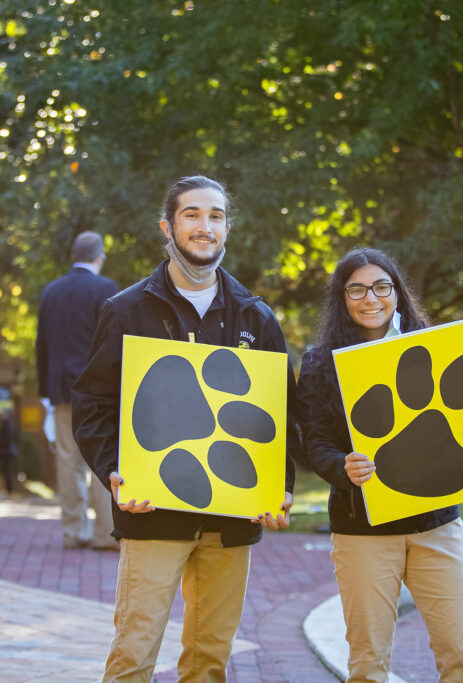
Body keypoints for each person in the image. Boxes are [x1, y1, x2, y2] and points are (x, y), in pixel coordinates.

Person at [74, 175, 298, 682]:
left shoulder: (256, 317)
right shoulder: (127, 311)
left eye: (215, 216)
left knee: (209, 660)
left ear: (227, 229)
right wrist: (115, 471)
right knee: (134, 652)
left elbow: (281, 410)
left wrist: (279, 485)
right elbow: (91, 404)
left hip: (233, 516)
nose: (205, 226)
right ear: (168, 227)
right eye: (192, 214)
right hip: (152, 510)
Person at [296, 248, 463, 683]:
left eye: (381, 287)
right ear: (341, 297)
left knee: (461, 658)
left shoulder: (435, 348)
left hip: (436, 526)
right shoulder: (319, 363)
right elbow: (314, 444)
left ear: (397, 294)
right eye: (357, 289)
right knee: (368, 666)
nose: (371, 298)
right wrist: (342, 465)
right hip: (362, 529)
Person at [37, 231, 119, 549]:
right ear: (99, 257)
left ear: (73, 256)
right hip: (98, 390)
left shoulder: (51, 292)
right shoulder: (106, 289)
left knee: (68, 461)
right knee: (103, 457)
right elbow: (112, 343)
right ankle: (106, 533)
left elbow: (41, 344)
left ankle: (74, 531)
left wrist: (45, 389)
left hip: (61, 389)